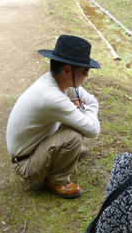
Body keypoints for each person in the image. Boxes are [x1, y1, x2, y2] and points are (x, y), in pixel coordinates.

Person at [6, 35, 101, 198]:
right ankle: (56, 180)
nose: (86, 76)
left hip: (35, 146)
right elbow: (93, 130)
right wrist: (84, 108)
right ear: (67, 70)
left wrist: (82, 107)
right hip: (26, 163)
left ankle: (61, 156)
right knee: (75, 136)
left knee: (75, 124)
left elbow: (92, 100)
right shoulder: (51, 96)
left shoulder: (59, 82)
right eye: (84, 72)